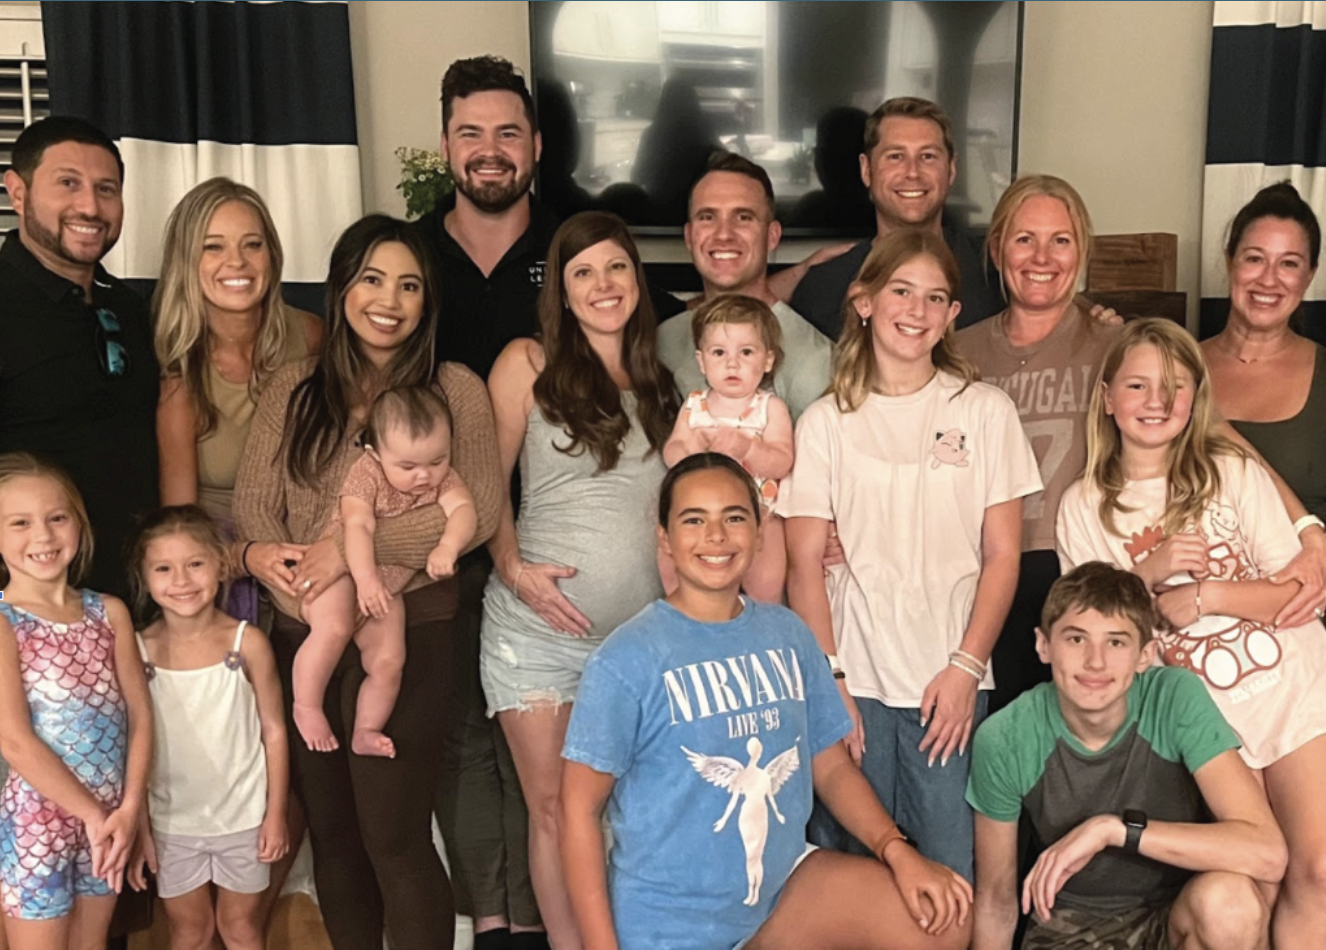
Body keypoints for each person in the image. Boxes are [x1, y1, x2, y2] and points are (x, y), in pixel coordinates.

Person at [560, 452, 973, 950]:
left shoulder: (787, 633)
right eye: (694, 520)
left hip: (779, 897)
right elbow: (577, 810)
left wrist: (896, 850)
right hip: (671, 924)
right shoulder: (626, 659)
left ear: (759, 532)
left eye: (734, 517)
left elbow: (829, 764)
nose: (716, 536)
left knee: (941, 915)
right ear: (664, 539)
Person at [233, 214, 502, 950]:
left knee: (393, 835)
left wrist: (345, 549)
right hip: (304, 632)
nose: (390, 299)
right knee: (338, 840)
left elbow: (475, 512)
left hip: (408, 629)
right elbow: (255, 507)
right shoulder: (294, 389)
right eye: (373, 279)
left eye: (409, 285)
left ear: (426, 304)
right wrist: (264, 555)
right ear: (342, 288)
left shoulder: (454, 389)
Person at [1056, 317, 1326, 946]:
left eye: (1174, 388)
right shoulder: (1083, 505)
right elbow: (1091, 636)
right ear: (1107, 398)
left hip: (1293, 691)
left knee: (1315, 870)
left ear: (1195, 398)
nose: (1156, 402)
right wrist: (1147, 575)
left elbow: (1297, 594)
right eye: (1138, 385)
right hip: (1205, 721)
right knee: (1253, 885)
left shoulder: (1228, 469)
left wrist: (1205, 596)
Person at [781, 229, 1040, 883]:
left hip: (946, 682)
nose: (916, 310)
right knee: (851, 868)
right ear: (864, 301)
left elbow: (1003, 554)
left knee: (947, 869)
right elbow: (804, 563)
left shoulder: (984, 412)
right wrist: (829, 681)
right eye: (901, 291)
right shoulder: (825, 423)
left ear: (953, 315)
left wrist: (965, 667)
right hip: (854, 684)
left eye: (935, 297)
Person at [482, 211, 678, 948]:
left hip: (641, 646)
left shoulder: (665, 379)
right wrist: (512, 567)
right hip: (537, 636)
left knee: (633, 807)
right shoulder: (526, 364)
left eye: (617, 267)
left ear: (637, 279)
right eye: (583, 273)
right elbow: (485, 480)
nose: (603, 285)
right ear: (562, 293)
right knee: (557, 808)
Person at [967, 562, 1283, 950]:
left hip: (1172, 915)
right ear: (1043, 645)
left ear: (1145, 654)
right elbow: (997, 902)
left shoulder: (1172, 697)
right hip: (1069, 927)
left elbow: (1266, 853)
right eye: (1076, 639)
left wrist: (1113, 830)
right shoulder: (1005, 737)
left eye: (1116, 642)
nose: (1096, 661)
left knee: (1230, 903)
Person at [952, 175, 1121, 713]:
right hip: (971, 574)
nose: (1042, 256)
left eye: (1061, 240)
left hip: (1079, 572)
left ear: (1082, 251)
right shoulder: (956, 352)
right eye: (1025, 239)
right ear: (998, 248)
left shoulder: (1117, 346)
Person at [0, 116, 159, 604]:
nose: (90, 206)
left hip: (139, 597)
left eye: (106, 189)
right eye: (68, 183)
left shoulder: (134, 310)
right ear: (17, 192)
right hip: (28, 614)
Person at [153, 176, 323, 626]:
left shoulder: (310, 337)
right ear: (186, 262)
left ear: (273, 255)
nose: (237, 262)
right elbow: (180, 541)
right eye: (213, 247)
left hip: (310, 550)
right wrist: (248, 558)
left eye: (253, 244)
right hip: (220, 570)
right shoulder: (178, 375)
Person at [0, 453, 152, 946]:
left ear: (79, 524)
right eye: (19, 523)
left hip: (111, 823)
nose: (42, 537)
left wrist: (132, 810)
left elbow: (141, 721)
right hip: (36, 829)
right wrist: (95, 815)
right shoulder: (4, 622)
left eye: (57, 518)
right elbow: (15, 741)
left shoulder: (109, 612)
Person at [126, 506, 289, 950]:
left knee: (240, 930)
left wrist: (275, 816)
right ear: (145, 576)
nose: (181, 580)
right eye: (164, 568)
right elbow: (132, 745)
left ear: (220, 565)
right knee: (191, 932)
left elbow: (274, 731)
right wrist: (141, 827)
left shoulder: (247, 643)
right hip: (172, 823)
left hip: (244, 820)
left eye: (195, 564)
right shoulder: (136, 650)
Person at [296, 386, 476, 758]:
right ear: (375, 454)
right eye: (408, 467)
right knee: (334, 627)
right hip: (344, 574)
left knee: (390, 660)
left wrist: (449, 546)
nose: (425, 476)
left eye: (437, 460)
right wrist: (365, 581)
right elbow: (357, 529)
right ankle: (306, 705)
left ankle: (366, 730)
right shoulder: (365, 475)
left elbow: (464, 510)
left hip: (389, 585)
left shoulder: (442, 476)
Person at [788, 98, 1002, 339]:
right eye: (895, 156)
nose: (912, 172)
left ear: (951, 169)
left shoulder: (995, 271)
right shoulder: (824, 286)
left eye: (928, 156)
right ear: (866, 170)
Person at [657, 151, 833, 422]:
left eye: (743, 217)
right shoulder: (662, 341)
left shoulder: (814, 359)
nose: (724, 234)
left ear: (772, 236)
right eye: (707, 217)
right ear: (689, 237)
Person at [1204, 183, 1326, 527]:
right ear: (1231, 262)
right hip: (1184, 579)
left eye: (1289, 263)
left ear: (1310, 275)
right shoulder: (1174, 366)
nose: (1269, 279)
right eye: (1255, 259)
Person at [663, 294, 794, 601]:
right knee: (669, 546)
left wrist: (748, 449)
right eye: (719, 352)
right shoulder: (694, 406)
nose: (732, 363)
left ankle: (765, 612)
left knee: (769, 556)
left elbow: (782, 461)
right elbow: (671, 452)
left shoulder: (769, 407)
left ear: (768, 360)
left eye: (746, 352)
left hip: (757, 516)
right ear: (701, 361)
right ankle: (680, 608)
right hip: (700, 515)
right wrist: (687, 451)